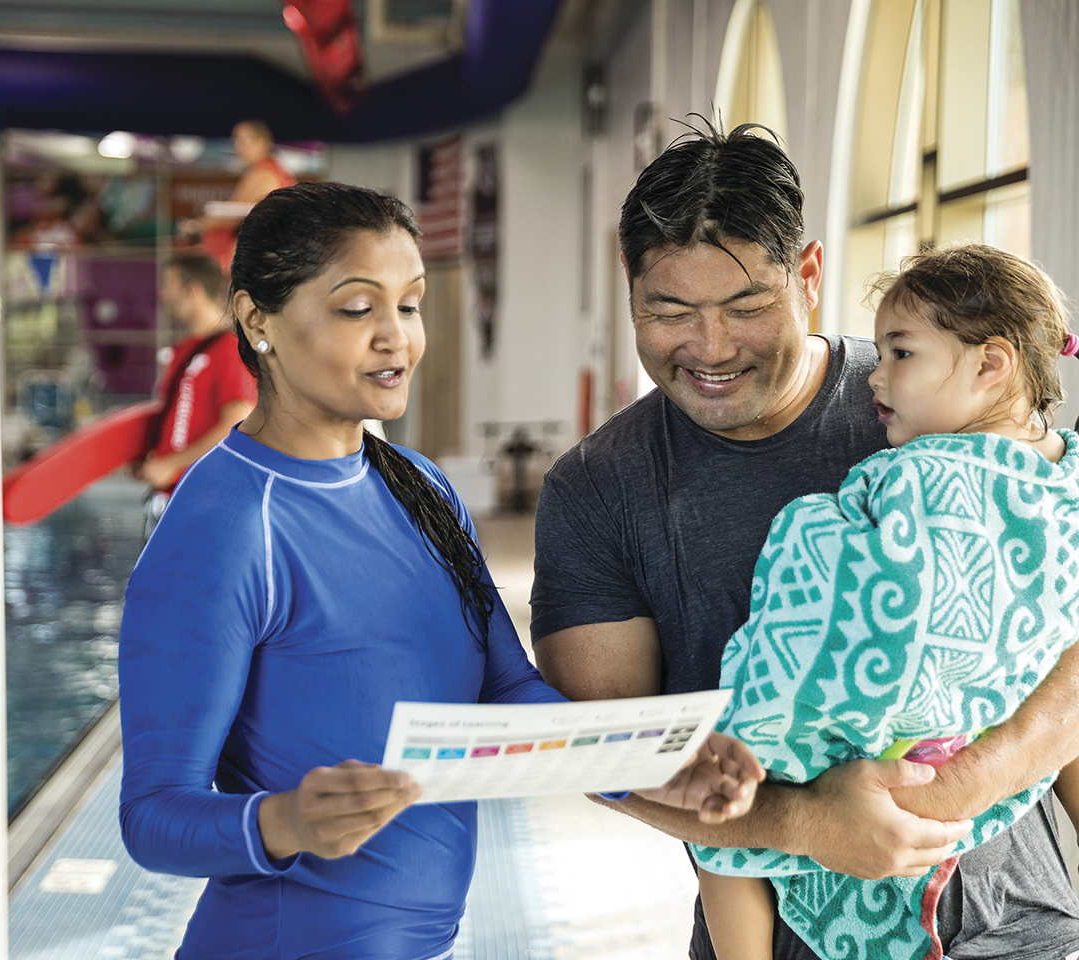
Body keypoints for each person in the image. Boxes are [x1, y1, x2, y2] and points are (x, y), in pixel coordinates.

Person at [118, 181, 763, 960]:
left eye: (411, 304)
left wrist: (651, 763)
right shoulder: (223, 527)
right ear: (258, 321)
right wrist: (281, 822)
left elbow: (504, 690)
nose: (398, 338)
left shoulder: (417, 486)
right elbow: (153, 815)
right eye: (359, 309)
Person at [530, 123, 1079, 960]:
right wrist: (809, 822)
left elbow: (1057, 614)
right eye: (668, 312)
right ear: (629, 290)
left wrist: (964, 785)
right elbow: (606, 747)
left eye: (747, 307)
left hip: (1020, 916)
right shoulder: (596, 489)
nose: (710, 349)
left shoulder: (932, 396)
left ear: (809, 275)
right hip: (790, 929)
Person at [690, 243, 1079, 960]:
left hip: (905, 741)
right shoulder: (1064, 473)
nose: (879, 373)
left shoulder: (920, 476)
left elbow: (842, 574)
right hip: (967, 777)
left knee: (730, 774)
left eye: (901, 354)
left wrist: (811, 531)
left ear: (993, 364)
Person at [133, 253, 257, 528]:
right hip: (174, 499)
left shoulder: (230, 350)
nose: (163, 294)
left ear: (193, 290)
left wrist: (172, 466)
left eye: (169, 285)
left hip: (207, 502)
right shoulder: (181, 351)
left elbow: (236, 427)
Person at [182, 120, 296, 272]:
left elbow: (229, 215)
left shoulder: (263, 173)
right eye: (235, 141)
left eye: (243, 141)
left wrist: (195, 225)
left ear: (262, 142)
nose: (237, 147)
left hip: (258, 258)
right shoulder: (268, 170)